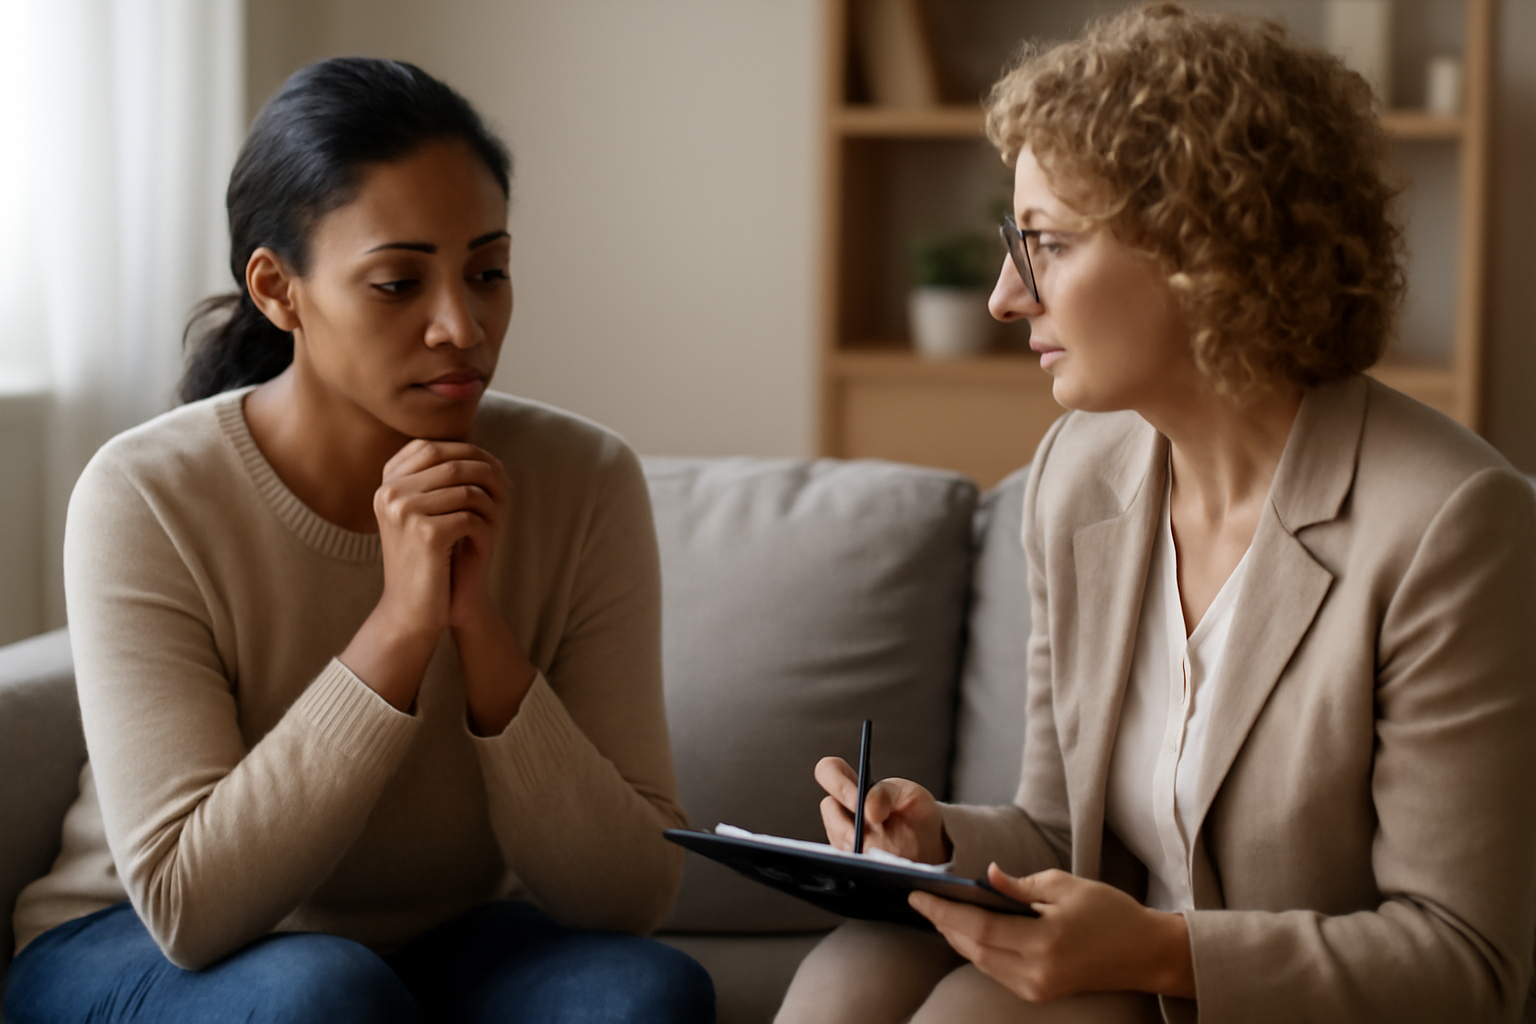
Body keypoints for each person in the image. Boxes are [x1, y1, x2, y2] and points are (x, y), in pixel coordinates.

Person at [777, 5, 1536, 1022]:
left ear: (1203, 252)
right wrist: (940, 842)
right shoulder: (1077, 474)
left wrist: (1165, 952)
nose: (1006, 295)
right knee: (843, 978)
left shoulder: (1451, 525)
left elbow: (1466, 964)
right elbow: (1059, 831)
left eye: (1044, 243)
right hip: (1132, 973)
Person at [5, 57, 715, 1024]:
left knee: (644, 995)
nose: (461, 326)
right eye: (396, 284)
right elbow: (185, 907)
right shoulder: (145, 495)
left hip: (440, 944)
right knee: (323, 995)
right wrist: (400, 625)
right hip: (129, 942)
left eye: (488, 271)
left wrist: (480, 628)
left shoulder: (585, 482)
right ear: (277, 289)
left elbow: (629, 898)